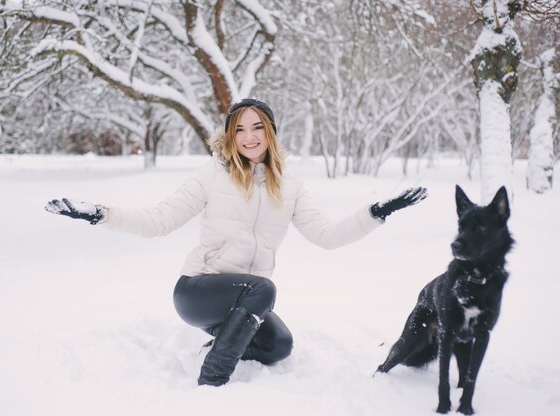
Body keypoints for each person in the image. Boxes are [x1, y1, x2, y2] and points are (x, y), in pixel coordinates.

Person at [45, 98, 428, 387]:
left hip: (247, 300)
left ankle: (218, 346)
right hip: (198, 290)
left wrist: (377, 212)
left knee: (279, 346)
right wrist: (100, 213)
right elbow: (158, 221)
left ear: (270, 132)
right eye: (239, 129)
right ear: (230, 135)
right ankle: (212, 380)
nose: (248, 137)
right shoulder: (213, 174)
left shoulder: (290, 184)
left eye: (257, 127)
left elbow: (326, 236)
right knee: (263, 288)